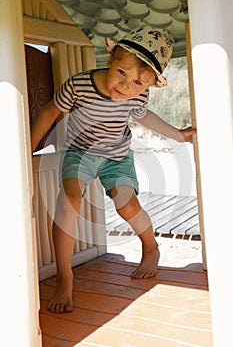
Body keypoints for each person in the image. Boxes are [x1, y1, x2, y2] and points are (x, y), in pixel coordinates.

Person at [31, 25, 196, 313]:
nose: (126, 86)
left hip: (116, 155)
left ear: (146, 88)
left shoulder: (137, 97)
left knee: (126, 206)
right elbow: (50, 111)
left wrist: (179, 135)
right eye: (122, 73)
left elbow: (146, 118)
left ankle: (150, 247)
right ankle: (64, 276)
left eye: (138, 83)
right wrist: (25, 148)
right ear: (110, 61)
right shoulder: (79, 85)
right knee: (68, 200)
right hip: (80, 152)